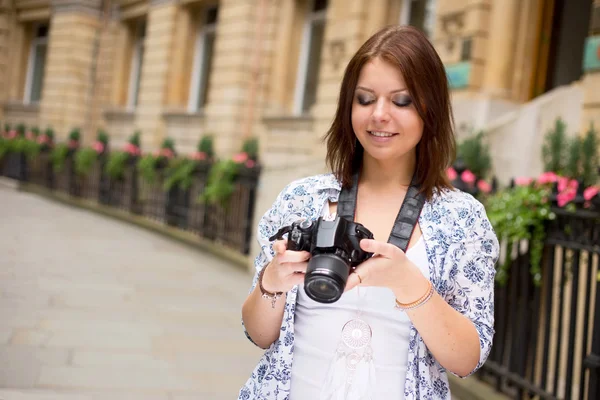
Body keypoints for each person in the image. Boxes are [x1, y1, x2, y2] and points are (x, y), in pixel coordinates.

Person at [239, 25, 499, 400]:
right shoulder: (302, 198)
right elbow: (258, 334)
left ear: (431, 109)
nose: (379, 115)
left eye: (401, 101)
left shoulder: (463, 219)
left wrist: (409, 283)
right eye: (364, 99)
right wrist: (271, 283)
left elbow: (466, 360)